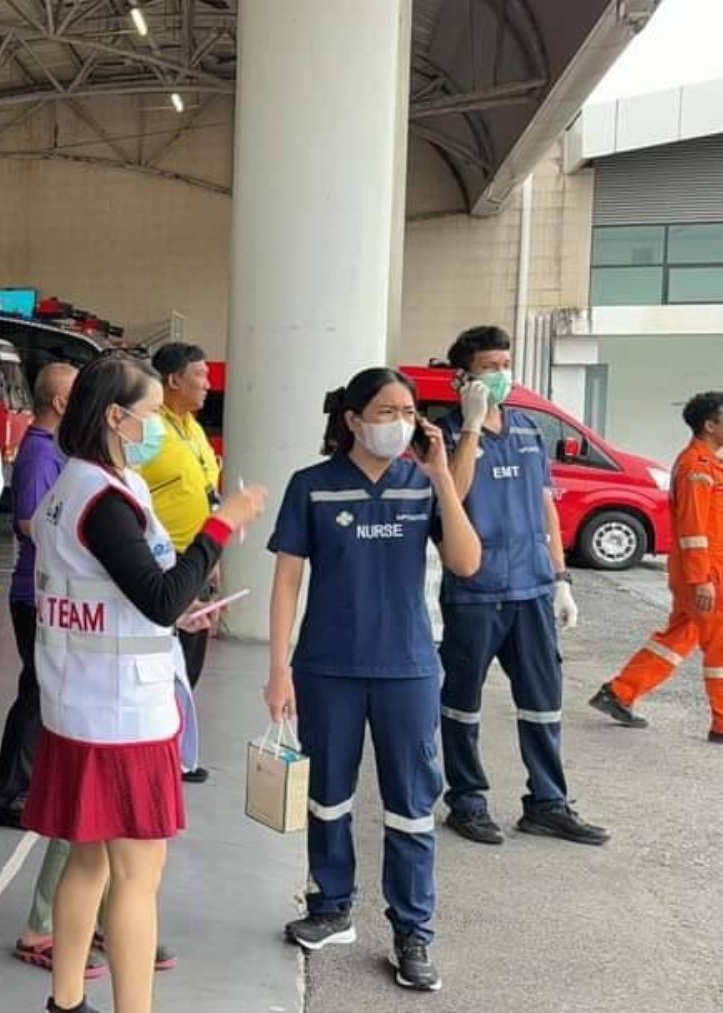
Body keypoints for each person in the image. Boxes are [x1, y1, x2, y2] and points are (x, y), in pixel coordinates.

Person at [26, 353, 265, 1013]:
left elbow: (128, 590)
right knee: (137, 875)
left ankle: (67, 999)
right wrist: (223, 524)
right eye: (151, 413)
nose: (157, 424)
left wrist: (176, 600)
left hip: (83, 702)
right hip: (120, 711)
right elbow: (160, 597)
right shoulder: (102, 497)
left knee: (90, 860)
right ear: (114, 416)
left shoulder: (82, 486)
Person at [264, 367, 481, 993]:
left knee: (411, 806)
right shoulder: (312, 486)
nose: (400, 423)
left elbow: (466, 561)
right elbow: (286, 581)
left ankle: (413, 930)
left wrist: (442, 473)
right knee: (327, 795)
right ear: (353, 420)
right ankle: (331, 905)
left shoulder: (422, 485)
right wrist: (278, 669)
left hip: (407, 668)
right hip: (326, 667)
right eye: (386, 411)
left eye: (409, 412)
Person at [434, 325, 608, 847]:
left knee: (543, 700)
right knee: (462, 703)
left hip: (532, 587)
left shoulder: (530, 429)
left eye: (505, 364)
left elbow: (545, 506)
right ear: (463, 377)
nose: (501, 375)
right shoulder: (443, 435)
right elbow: (453, 494)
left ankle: (548, 802)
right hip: (475, 591)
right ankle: (466, 801)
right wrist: (468, 428)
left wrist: (560, 578)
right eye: (489, 367)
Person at [590, 390, 723, 740]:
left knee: (679, 637)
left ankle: (620, 692)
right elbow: (694, 529)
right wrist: (702, 580)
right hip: (704, 574)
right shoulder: (698, 467)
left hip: (699, 573)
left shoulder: (706, 463)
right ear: (710, 425)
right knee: (720, 648)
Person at [0, 361, 77, 829]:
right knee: (37, 691)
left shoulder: (59, 449)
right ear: (61, 402)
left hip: (49, 591)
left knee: (41, 689)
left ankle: (26, 785)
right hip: (35, 594)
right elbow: (29, 521)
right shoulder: (41, 454)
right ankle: (12, 793)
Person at [140, 341, 223, 784]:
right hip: (161, 563)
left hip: (199, 561)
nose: (208, 386)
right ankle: (158, 750)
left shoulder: (193, 429)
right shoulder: (150, 431)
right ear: (174, 380)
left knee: (189, 664)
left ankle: (175, 750)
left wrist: (213, 562)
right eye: (201, 376)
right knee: (161, 664)